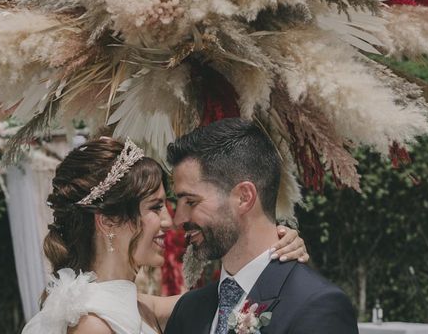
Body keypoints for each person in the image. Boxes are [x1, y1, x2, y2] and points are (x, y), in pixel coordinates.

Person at [21, 136, 308, 334]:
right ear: (108, 221)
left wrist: (273, 246)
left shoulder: (136, 304)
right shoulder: (93, 325)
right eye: (155, 207)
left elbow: (226, 296)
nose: (169, 221)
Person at [164, 118, 358, 334]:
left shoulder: (318, 306)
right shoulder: (188, 309)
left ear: (244, 197)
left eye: (191, 202)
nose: (178, 219)